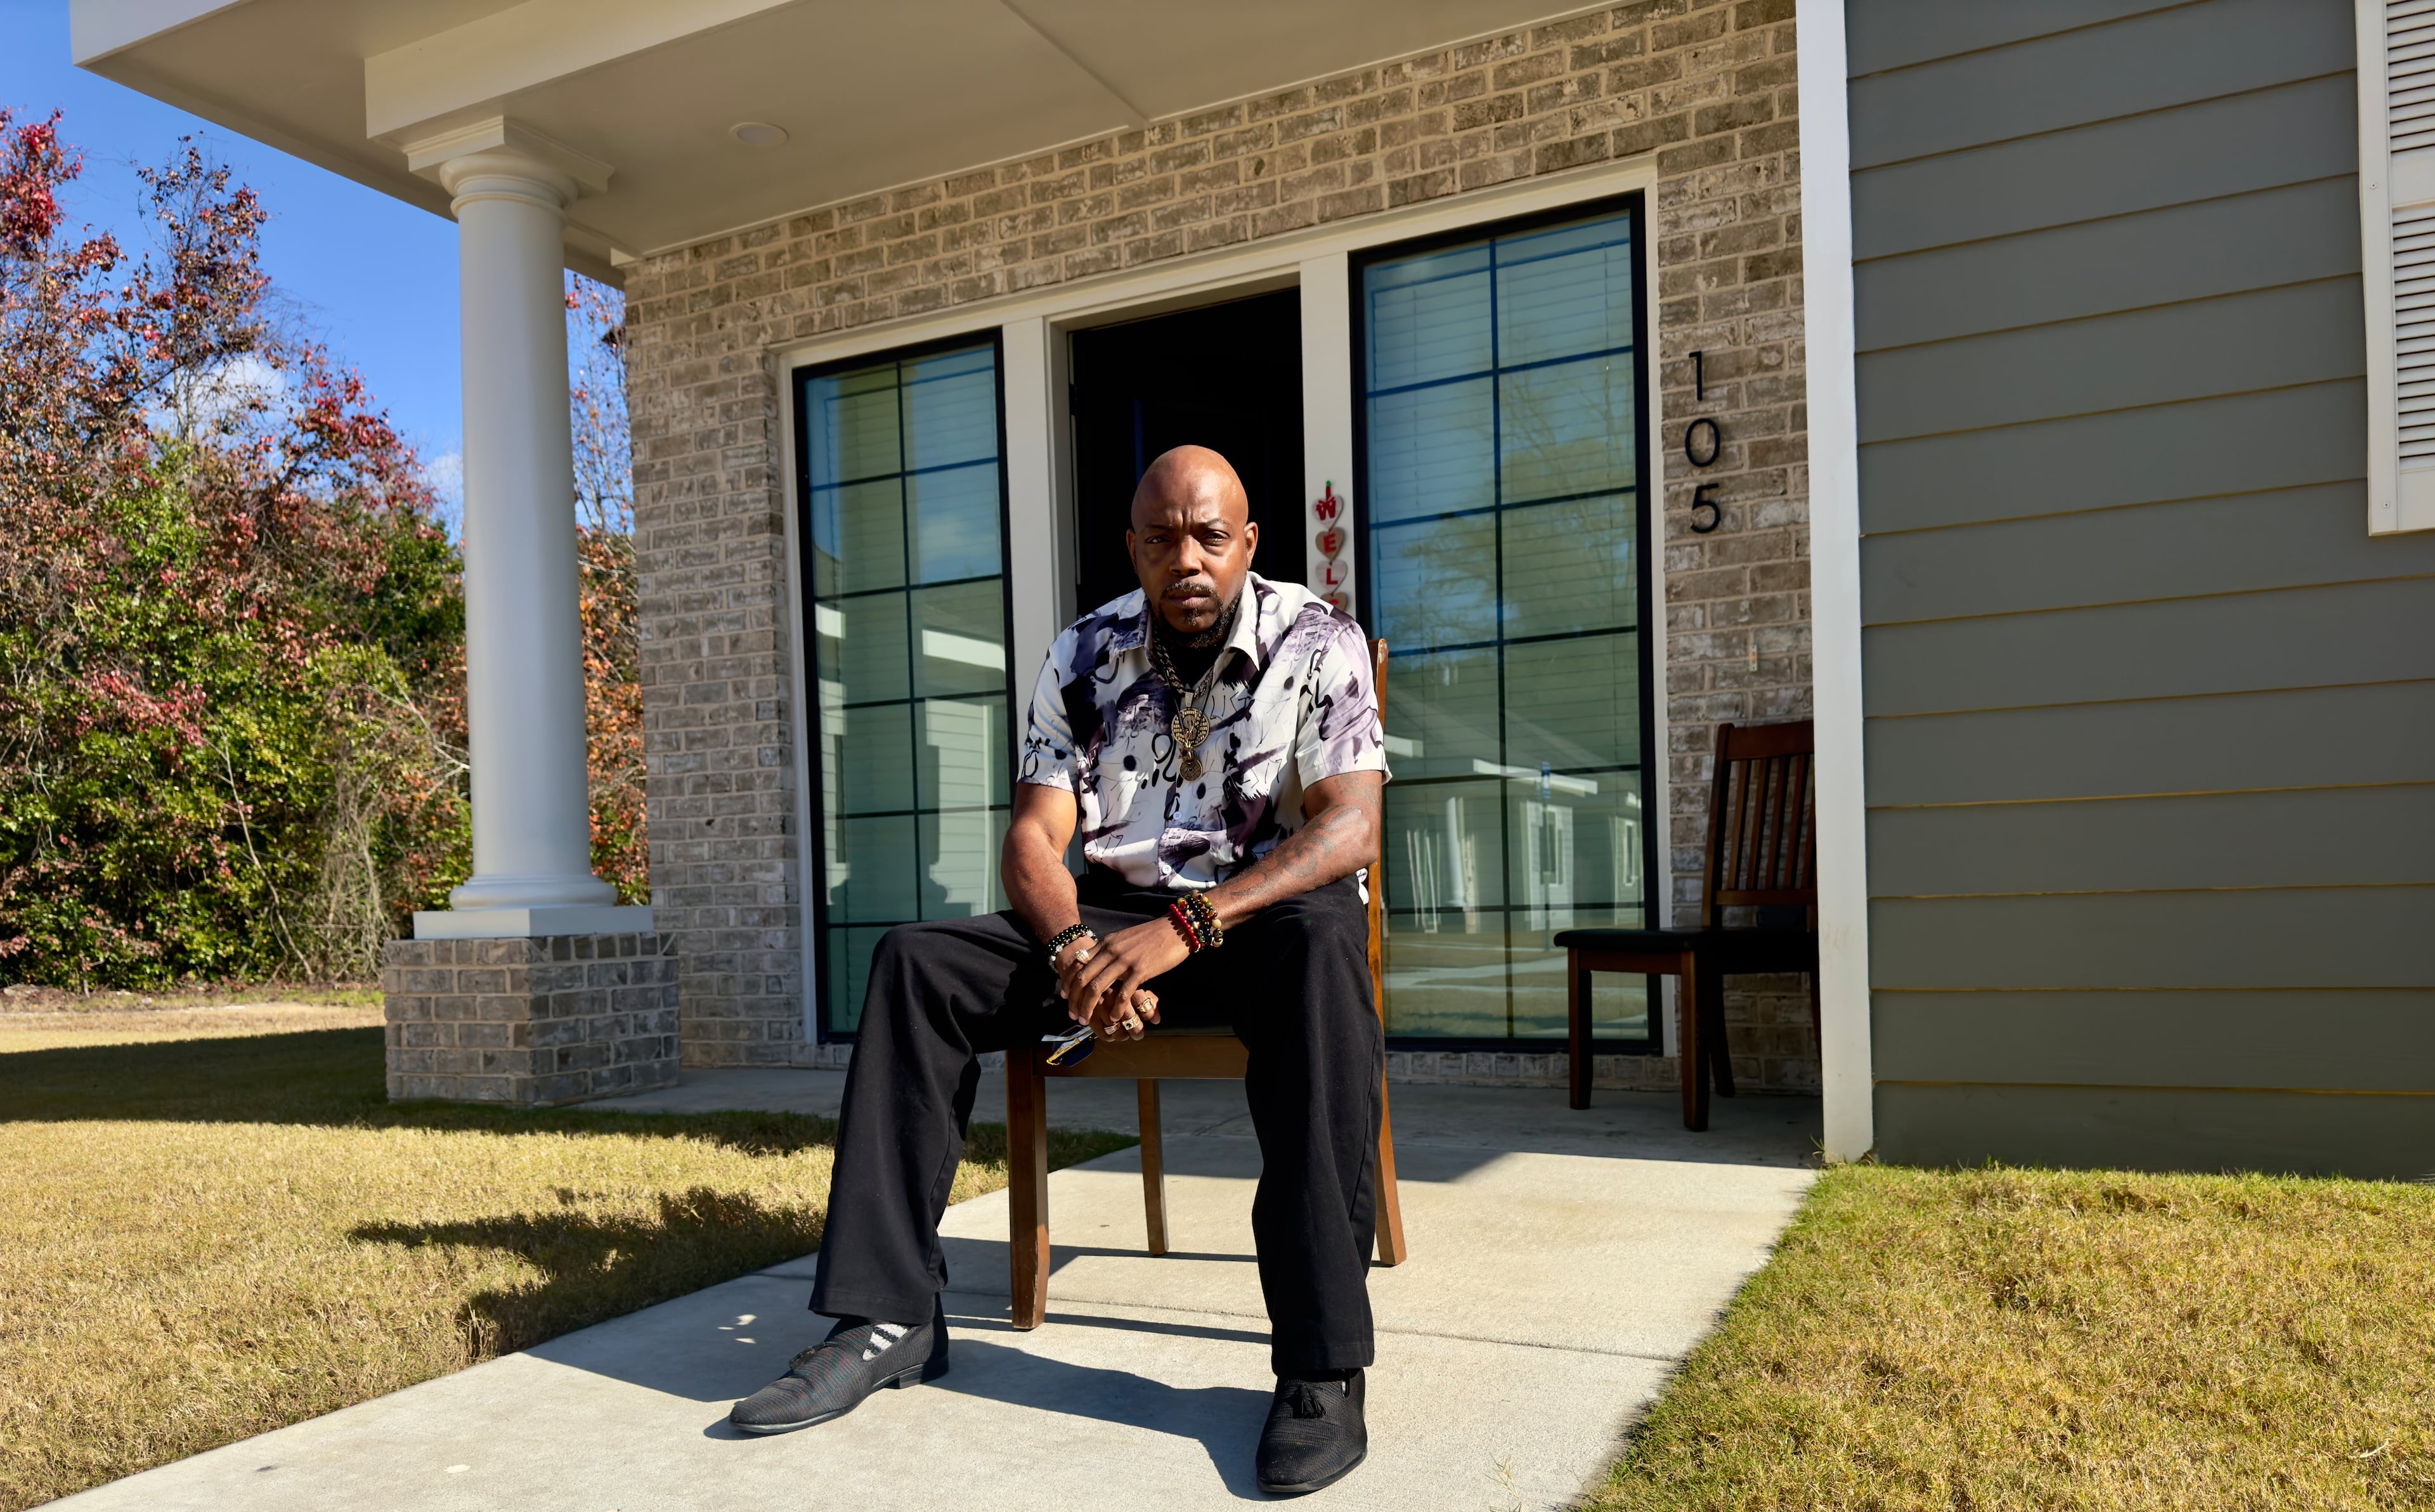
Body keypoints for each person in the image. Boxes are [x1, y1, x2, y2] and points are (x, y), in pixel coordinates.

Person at [728, 444, 1390, 1495]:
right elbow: (1035, 838)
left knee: (1323, 952)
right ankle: (888, 1314)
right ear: (1133, 546)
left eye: (1210, 535)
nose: (1187, 557)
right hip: (1115, 921)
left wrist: (1193, 924)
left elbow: (1351, 827)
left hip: (1256, 915)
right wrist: (1078, 950)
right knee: (916, 964)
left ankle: (1320, 1366)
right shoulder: (1083, 654)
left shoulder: (1320, 639)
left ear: (1249, 542)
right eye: (1163, 537)